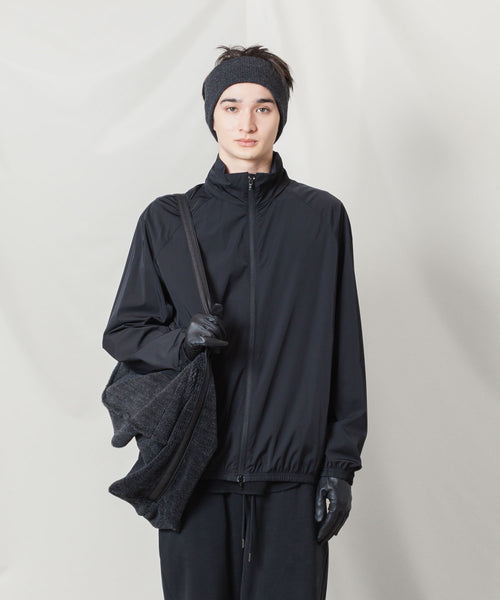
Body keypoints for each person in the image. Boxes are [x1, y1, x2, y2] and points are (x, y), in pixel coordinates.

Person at [102, 44, 367, 600]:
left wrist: (339, 467)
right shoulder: (167, 220)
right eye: (231, 106)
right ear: (212, 116)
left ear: (281, 116)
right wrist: (182, 341)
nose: (247, 123)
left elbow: (345, 350)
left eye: (263, 107)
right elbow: (124, 332)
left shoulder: (322, 218)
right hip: (193, 474)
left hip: (292, 479)